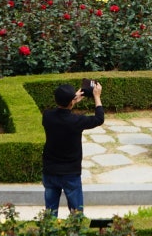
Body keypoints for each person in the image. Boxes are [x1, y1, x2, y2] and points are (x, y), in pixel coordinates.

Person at [42, 80, 105, 217]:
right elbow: (99, 119)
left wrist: (72, 101)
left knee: (50, 213)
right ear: (71, 102)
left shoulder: (47, 117)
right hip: (70, 173)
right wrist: (97, 96)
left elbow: (61, 110)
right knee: (76, 214)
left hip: (50, 171)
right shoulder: (76, 121)